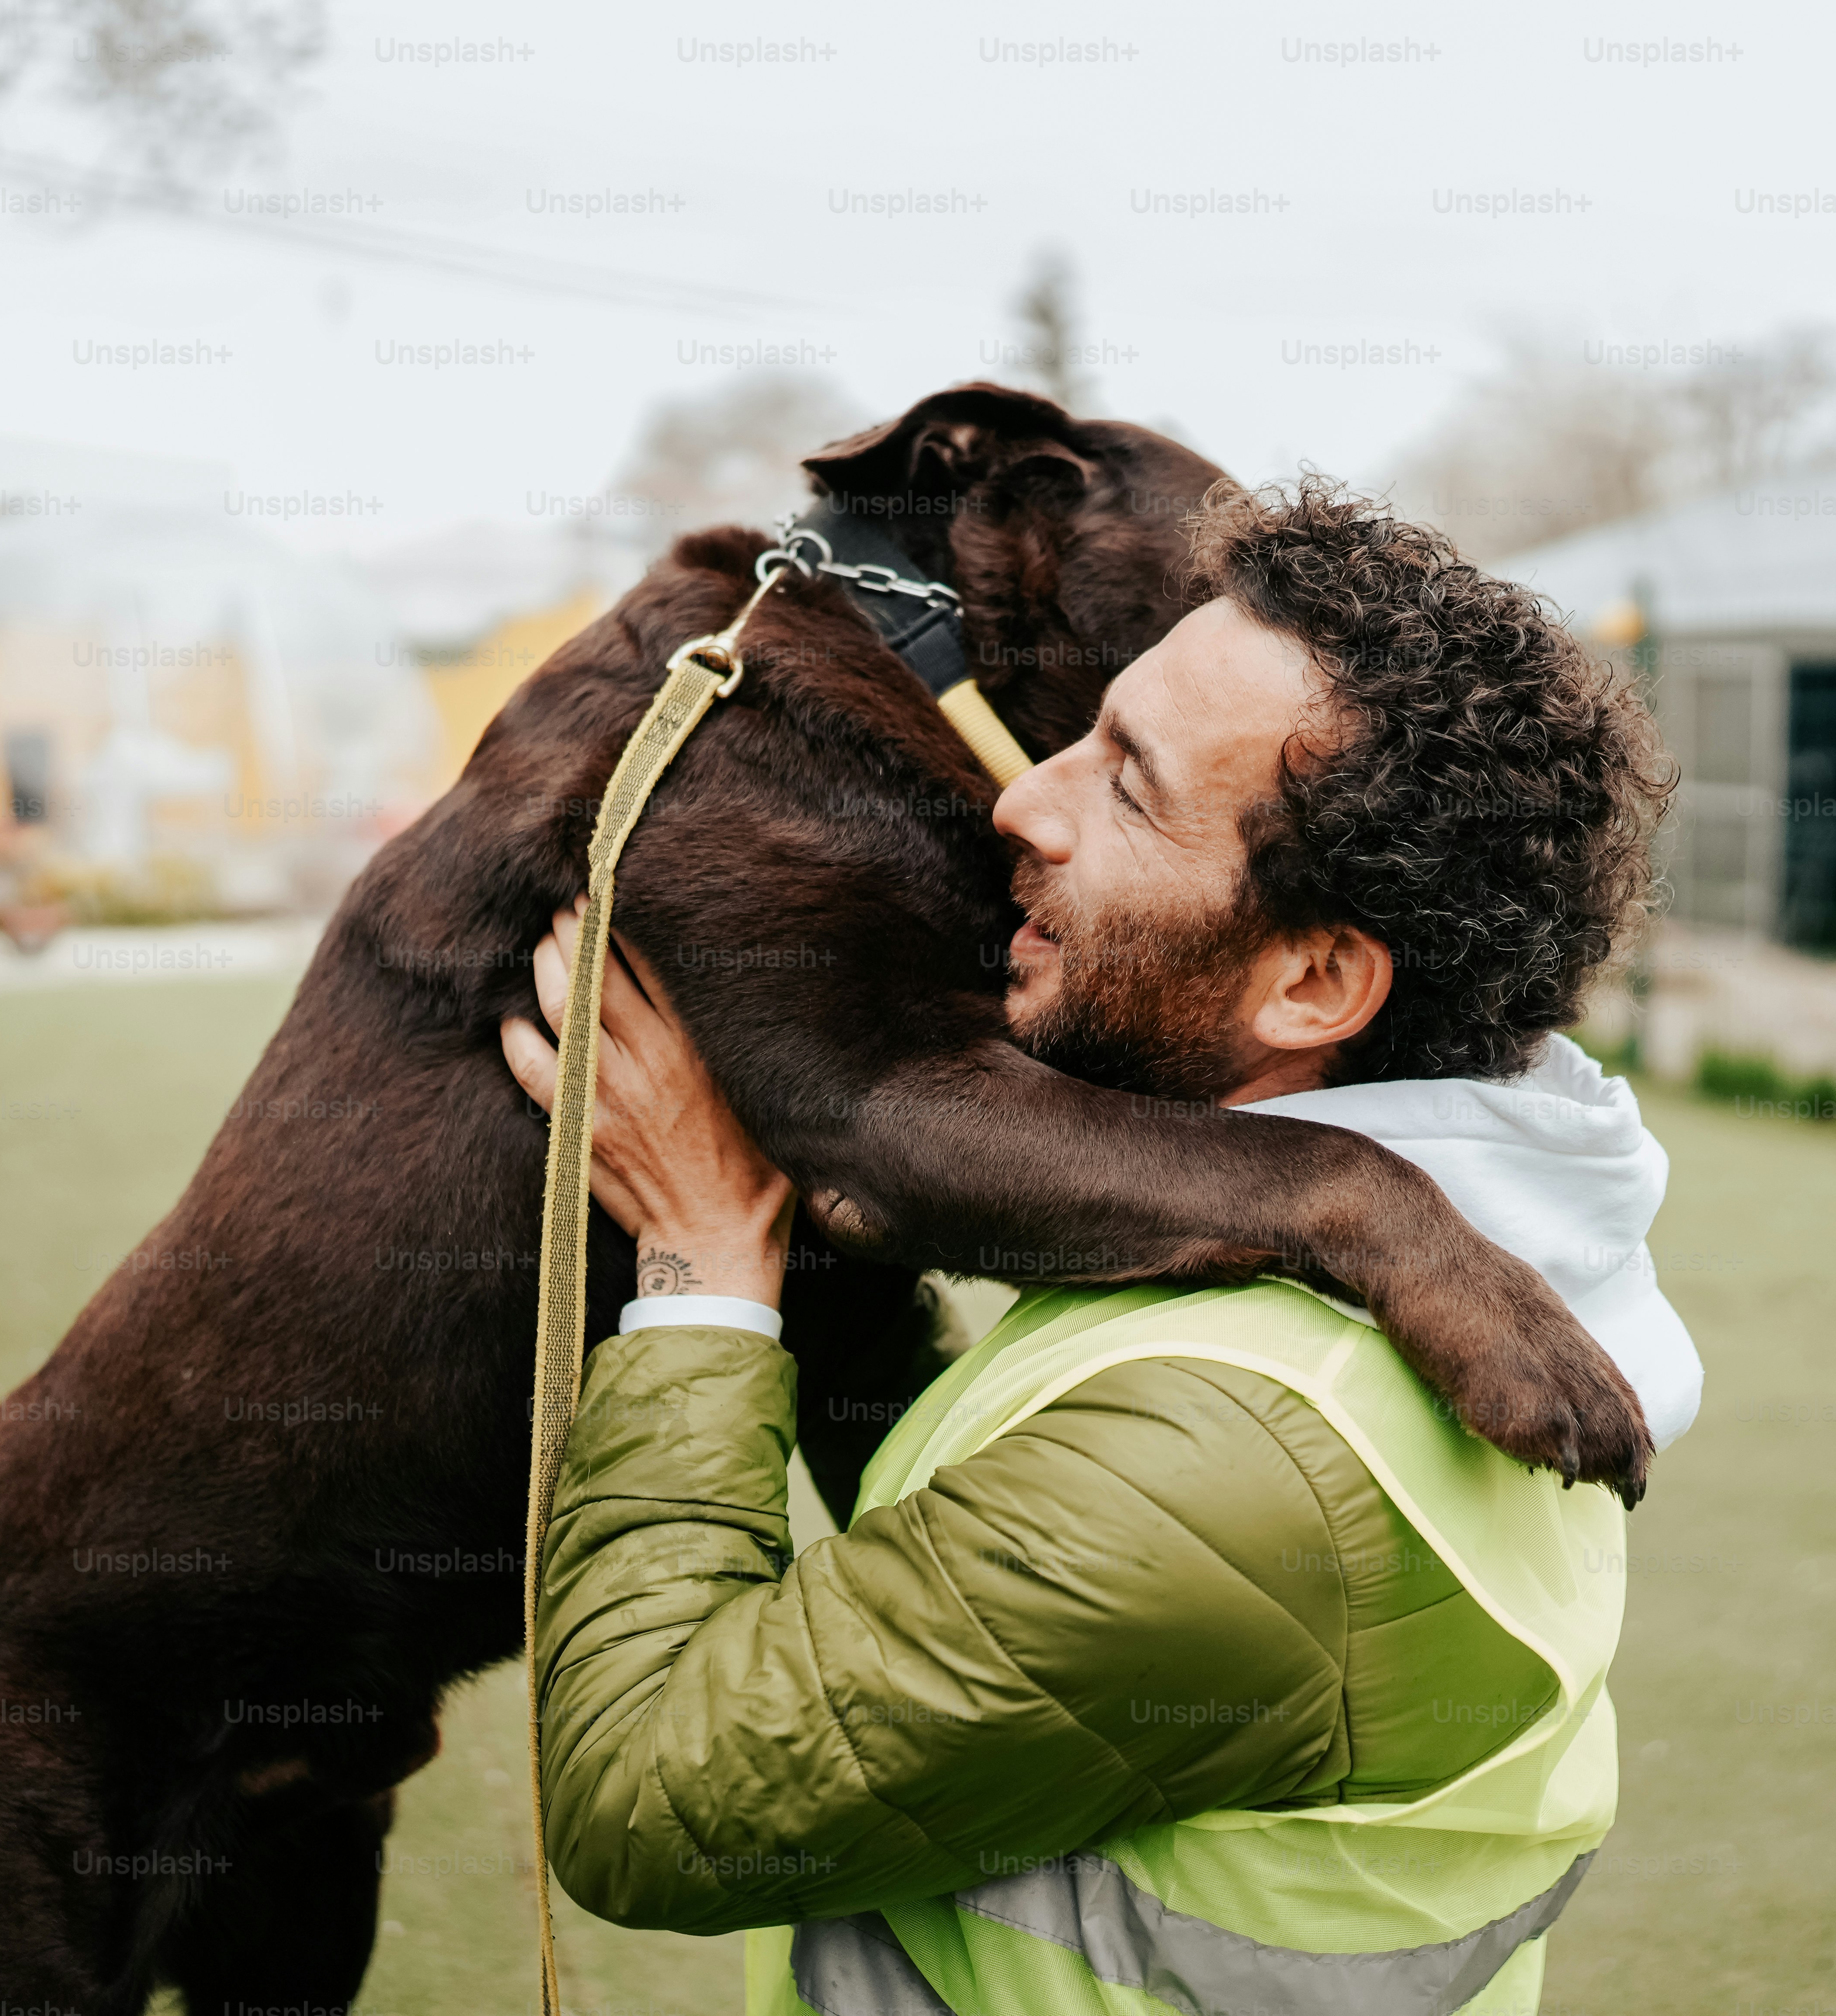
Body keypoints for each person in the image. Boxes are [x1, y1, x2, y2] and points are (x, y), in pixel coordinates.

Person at [499, 477, 1698, 2016]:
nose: (1019, 801)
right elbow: (972, 1564)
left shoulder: (1229, 1458)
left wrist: (701, 1280)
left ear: (1316, 981)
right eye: (1081, 728)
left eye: (1126, 789)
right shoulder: (1506, 1287)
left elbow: (643, 1799)